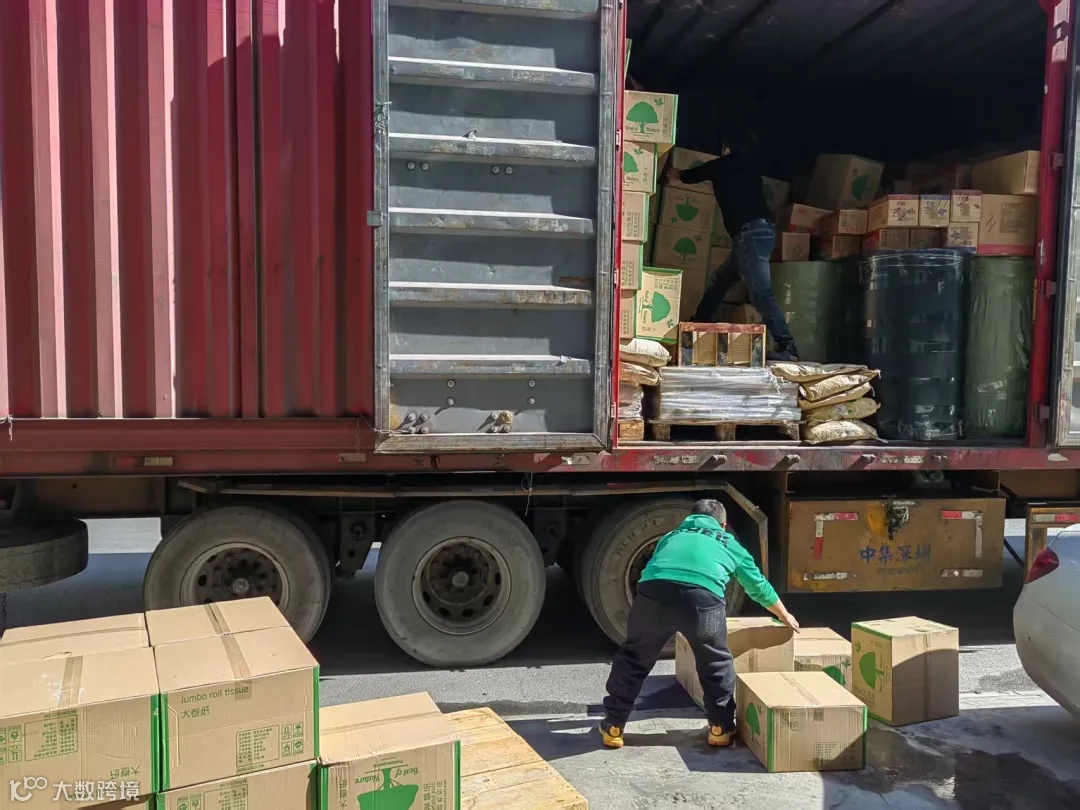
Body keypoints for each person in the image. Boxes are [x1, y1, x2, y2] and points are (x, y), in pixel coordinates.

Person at [598, 498, 800, 749]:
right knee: (714, 661)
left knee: (634, 658)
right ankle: (721, 728)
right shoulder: (728, 542)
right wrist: (783, 614)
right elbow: (757, 585)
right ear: (723, 524)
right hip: (702, 600)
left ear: (690, 519)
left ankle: (614, 725)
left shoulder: (670, 536)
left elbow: (656, 568)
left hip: (652, 596)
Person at [664, 136, 799, 361]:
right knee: (720, 281)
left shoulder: (722, 165)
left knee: (760, 293)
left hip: (750, 236)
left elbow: (691, 175)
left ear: (727, 149)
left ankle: (787, 346)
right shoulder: (750, 168)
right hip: (757, 234)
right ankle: (697, 324)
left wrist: (673, 174)